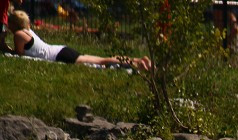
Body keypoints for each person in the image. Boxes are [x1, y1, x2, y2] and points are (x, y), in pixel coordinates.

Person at [8, 10, 151, 70]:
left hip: (59, 55)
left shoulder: (19, 35)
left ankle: (137, 63)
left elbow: (19, 54)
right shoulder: (28, 30)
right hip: (61, 50)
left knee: (103, 61)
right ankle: (138, 61)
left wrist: (5, 49)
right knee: (103, 60)